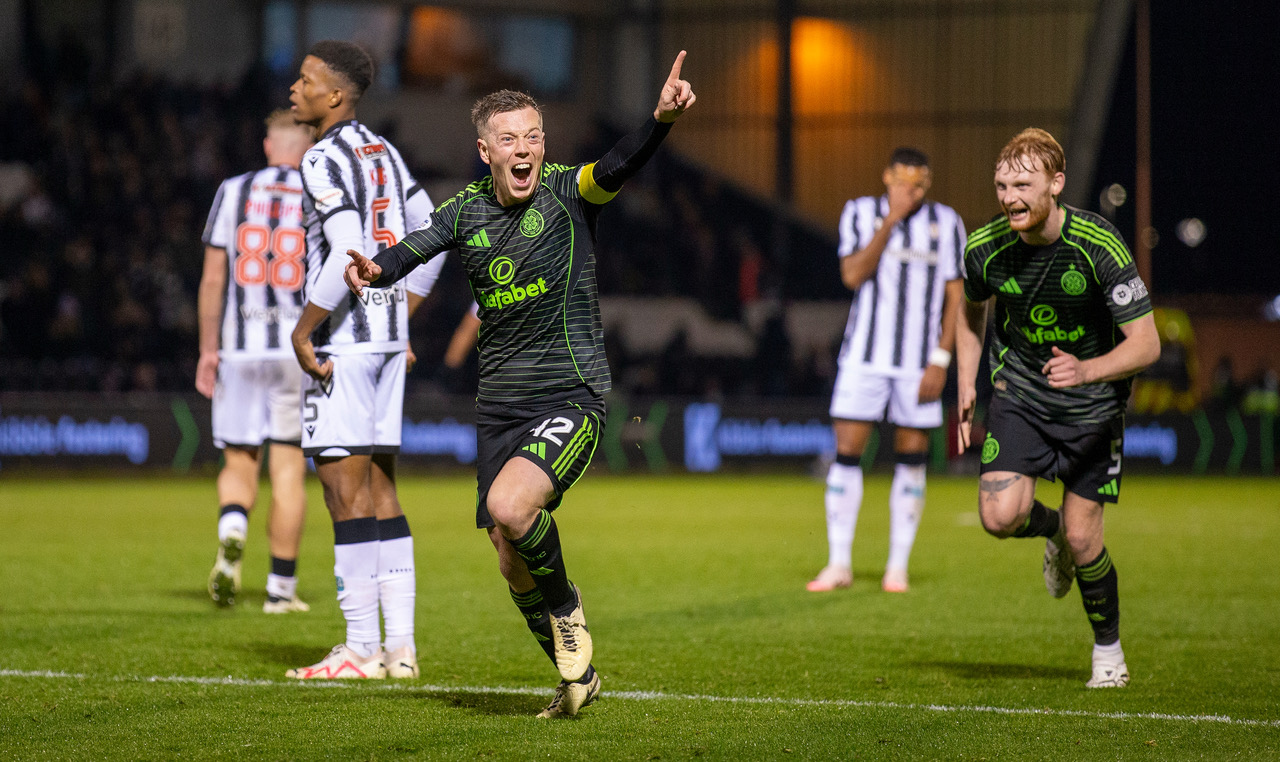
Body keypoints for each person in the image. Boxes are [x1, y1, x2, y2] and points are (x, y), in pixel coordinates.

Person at [342, 52, 696, 717]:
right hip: (499, 412)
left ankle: (568, 613)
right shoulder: (466, 211)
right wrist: (375, 269)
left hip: (570, 395)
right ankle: (577, 679)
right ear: (485, 150)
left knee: (512, 509)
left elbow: (617, 165)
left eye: (534, 135)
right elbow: (413, 249)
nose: (526, 147)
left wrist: (658, 121)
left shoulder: (568, 191)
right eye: (511, 138)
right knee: (509, 557)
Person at [955, 128, 1160, 688]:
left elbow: (1147, 344)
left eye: (1022, 184)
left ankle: (1108, 653)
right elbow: (970, 309)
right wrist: (966, 378)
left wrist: (1087, 370)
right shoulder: (984, 247)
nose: (1009, 197)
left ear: (1057, 183)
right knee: (999, 517)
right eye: (1001, 185)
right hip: (1020, 393)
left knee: (1085, 537)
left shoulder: (1100, 245)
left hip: (1093, 406)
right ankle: (1048, 537)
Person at [286, 40, 445, 680]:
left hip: (343, 345)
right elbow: (430, 228)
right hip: (383, 342)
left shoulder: (323, 157)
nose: (294, 89)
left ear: (335, 96)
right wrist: (403, 312)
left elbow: (346, 248)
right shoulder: (382, 150)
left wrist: (304, 331)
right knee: (382, 487)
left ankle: (358, 648)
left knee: (342, 490)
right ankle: (399, 648)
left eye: (305, 80)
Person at [808, 148, 966, 594]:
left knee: (912, 459)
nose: (909, 192)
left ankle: (897, 566)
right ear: (886, 178)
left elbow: (957, 296)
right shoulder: (861, 213)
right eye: (902, 182)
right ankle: (839, 562)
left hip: (920, 362)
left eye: (918, 185)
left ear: (927, 185)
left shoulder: (948, 223)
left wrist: (941, 359)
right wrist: (891, 220)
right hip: (864, 356)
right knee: (847, 453)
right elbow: (853, 275)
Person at [198, 109, 315, 613]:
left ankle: (233, 528)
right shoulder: (318, 195)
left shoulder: (232, 190)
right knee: (287, 471)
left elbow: (211, 281)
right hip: (294, 349)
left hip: (240, 348)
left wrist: (207, 349)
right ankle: (279, 592)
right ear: (308, 149)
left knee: (238, 459)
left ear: (269, 145)